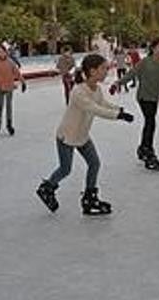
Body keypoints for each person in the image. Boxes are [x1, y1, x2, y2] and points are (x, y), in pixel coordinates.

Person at [35, 54, 134, 215]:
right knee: (65, 169)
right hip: (67, 136)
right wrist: (118, 116)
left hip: (82, 135)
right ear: (92, 71)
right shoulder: (78, 92)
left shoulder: (97, 89)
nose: (107, 72)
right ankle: (47, 188)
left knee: (94, 164)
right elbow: (95, 109)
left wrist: (119, 110)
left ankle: (89, 197)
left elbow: (103, 103)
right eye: (104, 69)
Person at [112, 39, 159, 171]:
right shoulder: (145, 62)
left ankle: (143, 147)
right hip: (143, 97)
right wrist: (118, 83)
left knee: (150, 122)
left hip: (154, 98)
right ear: (153, 48)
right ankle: (147, 149)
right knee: (150, 121)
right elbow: (131, 74)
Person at [0, 44, 24, 136]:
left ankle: (9, 125)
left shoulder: (10, 62)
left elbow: (17, 73)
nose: (1, 54)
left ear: (6, 52)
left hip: (9, 86)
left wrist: (23, 82)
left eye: (3, 52)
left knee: (9, 106)